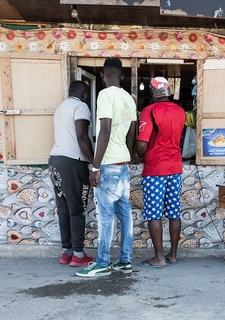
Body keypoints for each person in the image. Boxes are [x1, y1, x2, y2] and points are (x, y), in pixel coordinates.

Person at [76, 57, 137, 278]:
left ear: (103, 75)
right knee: (125, 214)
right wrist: (128, 156)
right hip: (123, 165)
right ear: (121, 75)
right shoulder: (129, 99)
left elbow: (104, 131)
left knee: (106, 216)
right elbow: (132, 134)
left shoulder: (105, 94)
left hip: (108, 164)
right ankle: (125, 261)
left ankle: (102, 262)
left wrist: (95, 167)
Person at [136, 77, 186, 268]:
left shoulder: (150, 111)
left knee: (154, 214)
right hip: (175, 167)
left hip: (155, 169)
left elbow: (142, 144)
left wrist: (138, 153)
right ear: (168, 90)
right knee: (174, 213)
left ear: (151, 91)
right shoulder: (180, 111)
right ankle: (172, 254)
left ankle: (158, 257)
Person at [48, 80, 94, 267]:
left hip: (55, 161)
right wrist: (95, 162)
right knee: (77, 210)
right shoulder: (81, 106)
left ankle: (66, 252)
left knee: (64, 209)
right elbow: (81, 136)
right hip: (72, 162)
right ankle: (78, 255)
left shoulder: (60, 108)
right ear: (84, 94)